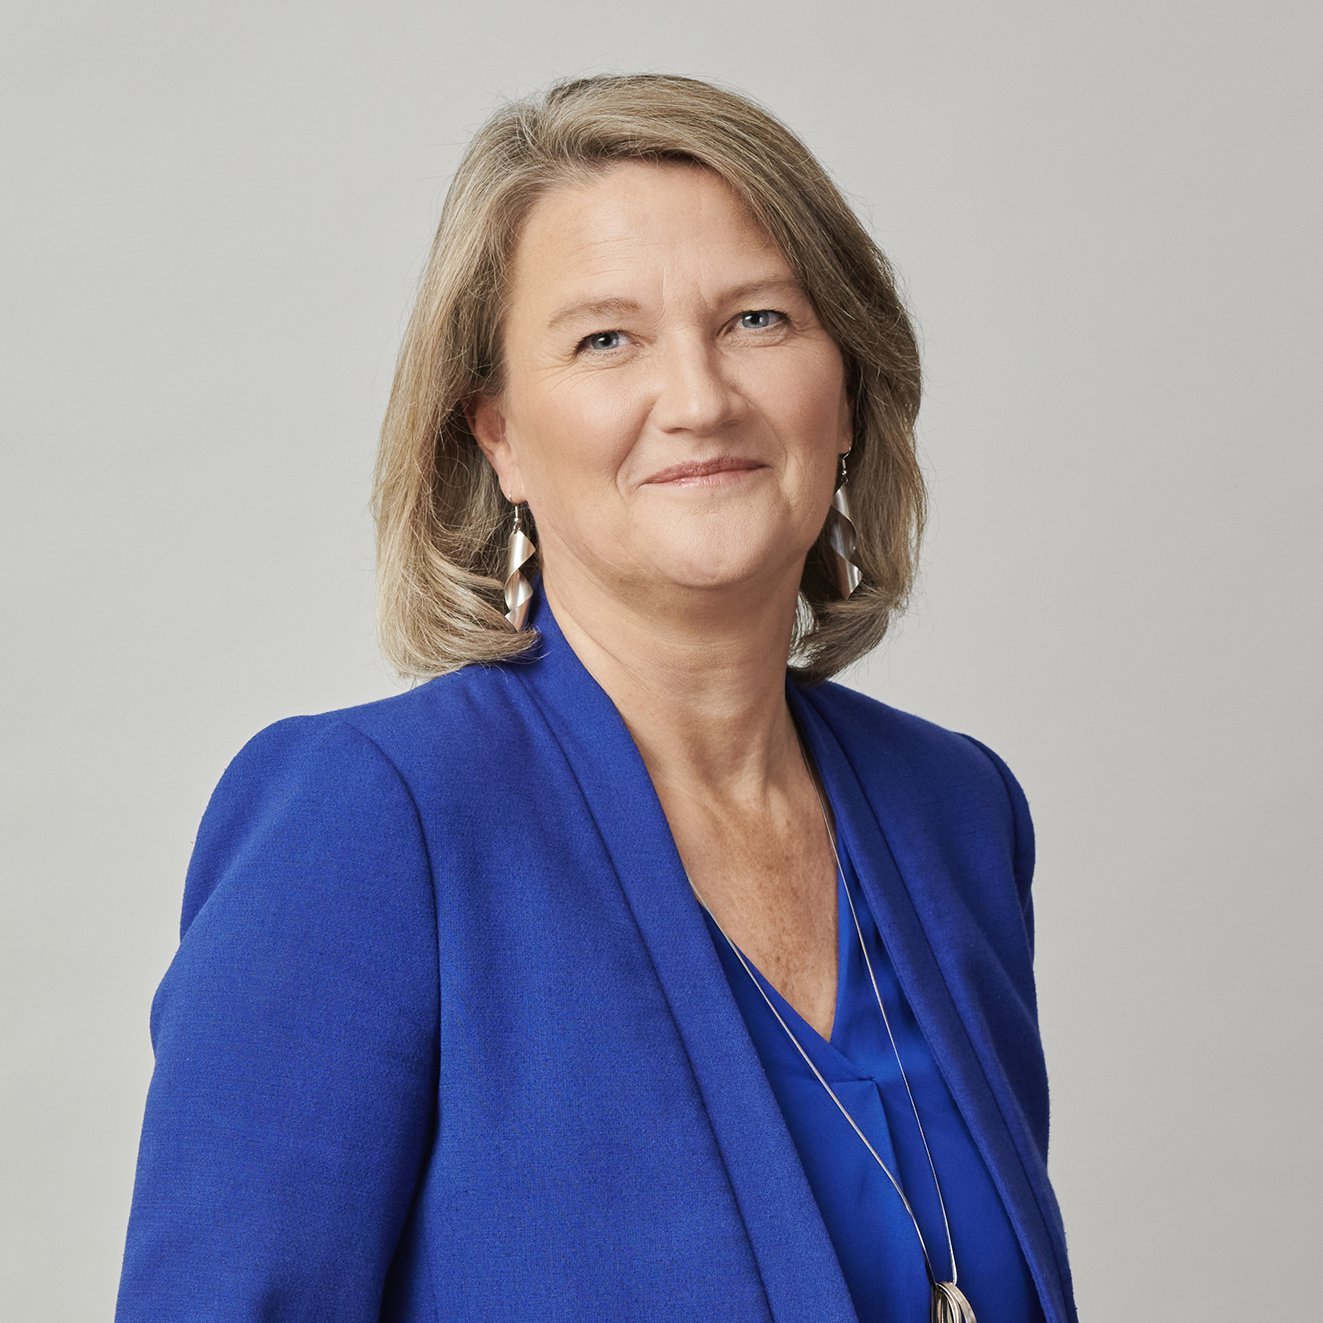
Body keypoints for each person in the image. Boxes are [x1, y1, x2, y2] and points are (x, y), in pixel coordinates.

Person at [114, 72, 1079, 1323]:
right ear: (499, 437)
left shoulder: (955, 811)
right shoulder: (370, 823)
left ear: (846, 393)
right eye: (606, 340)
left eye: (759, 320)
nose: (700, 399)